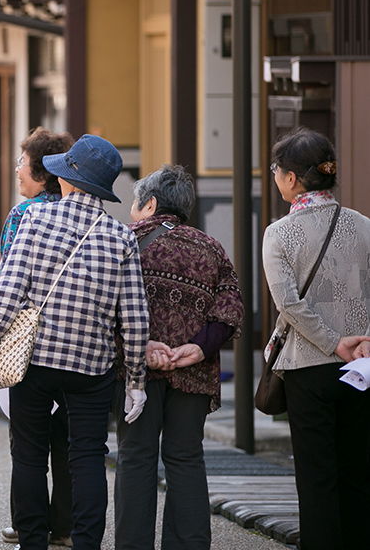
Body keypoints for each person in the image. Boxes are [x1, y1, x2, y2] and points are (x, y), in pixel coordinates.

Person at [0, 134, 149, 550]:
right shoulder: (121, 238)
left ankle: (32, 541)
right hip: (91, 367)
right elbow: (135, 318)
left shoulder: (34, 219)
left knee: (28, 454)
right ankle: (85, 543)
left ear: (68, 179)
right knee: (87, 456)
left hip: (34, 361)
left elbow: (10, 291)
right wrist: (136, 382)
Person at [114, 164, 244, 550]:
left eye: (136, 202)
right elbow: (231, 308)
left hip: (137, 370)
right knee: (186, 456)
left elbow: (105, 305)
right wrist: (200, 347)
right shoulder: (211, 248)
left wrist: (141, 345)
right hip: (193, 371)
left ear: (150, 204)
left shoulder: (125, 240)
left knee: (136, 455)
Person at [262, 127, 370, 550]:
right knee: (357, 471)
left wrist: (331, 341)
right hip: (361, 366)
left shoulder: (279, 233)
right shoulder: (363, 225)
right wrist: (362, 340)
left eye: (276, 169)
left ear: (292, 178)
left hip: (308, 367)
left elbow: (288, 304)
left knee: (315, 476)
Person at [0, 127, 76, 548]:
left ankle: (27, 526)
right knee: (67, 438)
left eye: (22, 163)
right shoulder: (80, 211)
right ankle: (64, 526)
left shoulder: (23, 215)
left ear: (42, 173)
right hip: (76, 340)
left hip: (28, 341)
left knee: (27, 443)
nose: (17, 170)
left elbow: (8, 279)